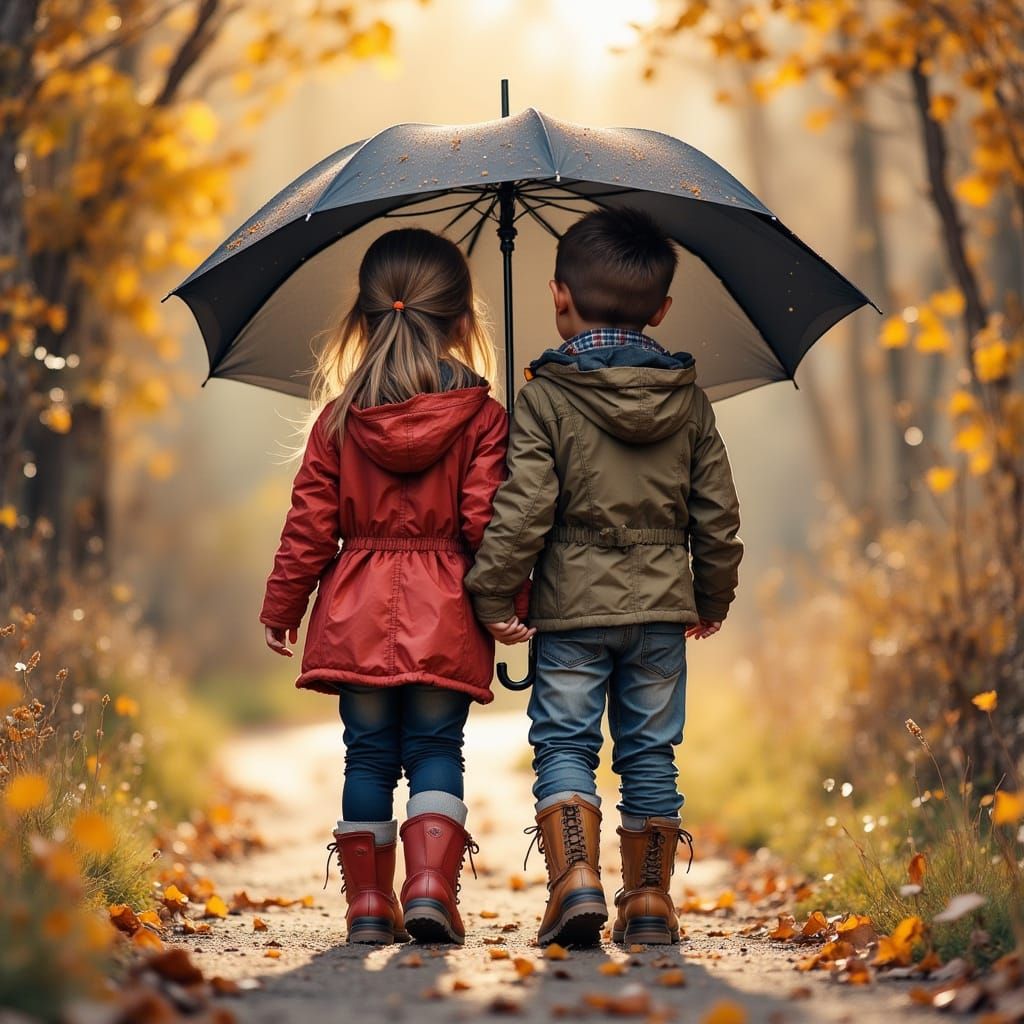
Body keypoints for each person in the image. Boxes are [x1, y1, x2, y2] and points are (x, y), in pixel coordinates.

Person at [465, 207, 743, 947]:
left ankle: (575, 882)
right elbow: (717, 513)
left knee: (565, 745)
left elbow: (524, 508)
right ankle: (649, 901)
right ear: (662, 310)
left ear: (559, 297)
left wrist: (492, 594)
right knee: (651, 752)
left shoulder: (546, 397)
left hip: (571, 612)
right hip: (659, 614)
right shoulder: (688, 399)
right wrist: (711, 594)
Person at [260, 228, 528, 946]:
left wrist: (283, 605)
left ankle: (369, 905)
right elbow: (487, 525)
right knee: (438, 747)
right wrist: (509, 606)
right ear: (464, 322)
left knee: (369, 754)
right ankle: (432, 887)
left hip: (356, 606)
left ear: (364, 318)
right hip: (447, 608)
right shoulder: (483, 417)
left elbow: (310, 527)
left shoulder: (338, 420)